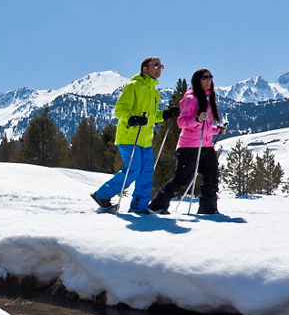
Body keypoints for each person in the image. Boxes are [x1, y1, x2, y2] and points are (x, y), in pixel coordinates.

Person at [90, 57, 170, 214]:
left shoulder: (154, 92)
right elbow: (120, 109)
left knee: (146, 173)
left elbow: (151, 117)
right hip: (129, 137)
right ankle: (102, 195)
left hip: (146, 140)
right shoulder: (133, 86)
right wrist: (132, 118)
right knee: (133, 169)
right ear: (145, 69)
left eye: (161, 66)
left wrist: (165, 115)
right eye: (156, 65)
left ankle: (139, 206)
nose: (159, 68)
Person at [149, 68, 226, 215]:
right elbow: (182, 122)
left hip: (206, 145)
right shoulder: (191, 99)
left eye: (210, 77)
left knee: (212, 177)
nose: (209, 80)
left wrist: (217, 130)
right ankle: (157, 206)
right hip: (189, 147)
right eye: (205, 78)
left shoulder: (209, 99)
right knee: (181, 179)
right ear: (197, 81)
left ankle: (208, 209)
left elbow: (204, 127)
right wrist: (197, 119)